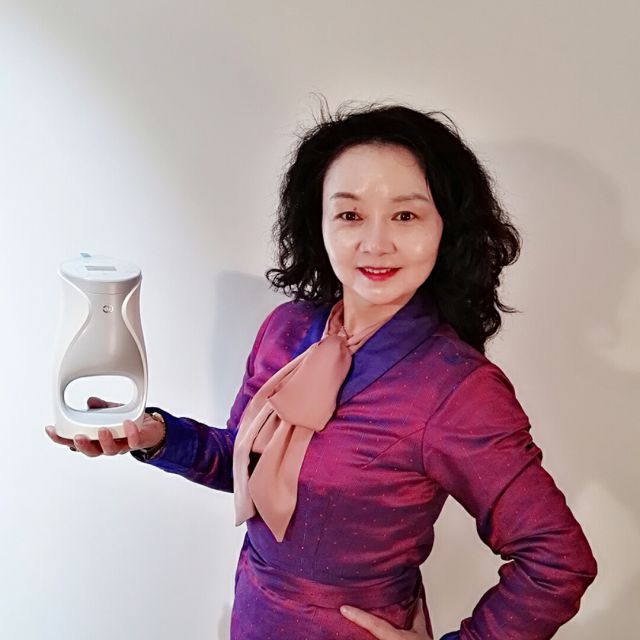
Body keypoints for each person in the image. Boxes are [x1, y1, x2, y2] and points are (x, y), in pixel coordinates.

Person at [46, 101, 598, 639]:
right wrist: (155, 435)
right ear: (320, 223)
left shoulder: (458, 389)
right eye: (350, 214)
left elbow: (557, 560)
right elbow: (244, 461)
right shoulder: (287, 330)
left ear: (445, 227)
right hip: (253, 617)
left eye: (405, 215)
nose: (375, 243)